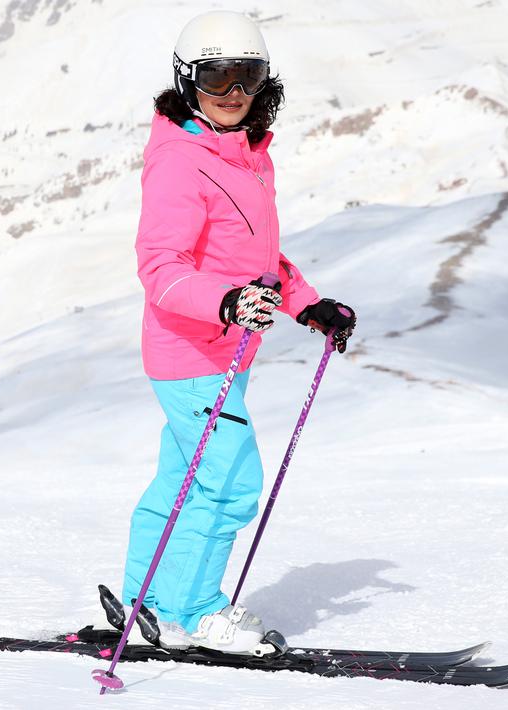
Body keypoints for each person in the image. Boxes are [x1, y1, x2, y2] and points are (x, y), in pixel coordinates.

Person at [122, 11, 357, 654]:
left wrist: (306, 305)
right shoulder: (180, 162)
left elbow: (255, 260)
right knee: (227, 480)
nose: (232, 90)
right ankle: (193, 610)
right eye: (215, 74)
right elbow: (160, 271)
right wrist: (225, 302)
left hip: (224, 349)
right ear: (186, 81)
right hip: (190, 351)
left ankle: (143, 601)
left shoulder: (247, 156)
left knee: (183, 478)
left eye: (246, 75)